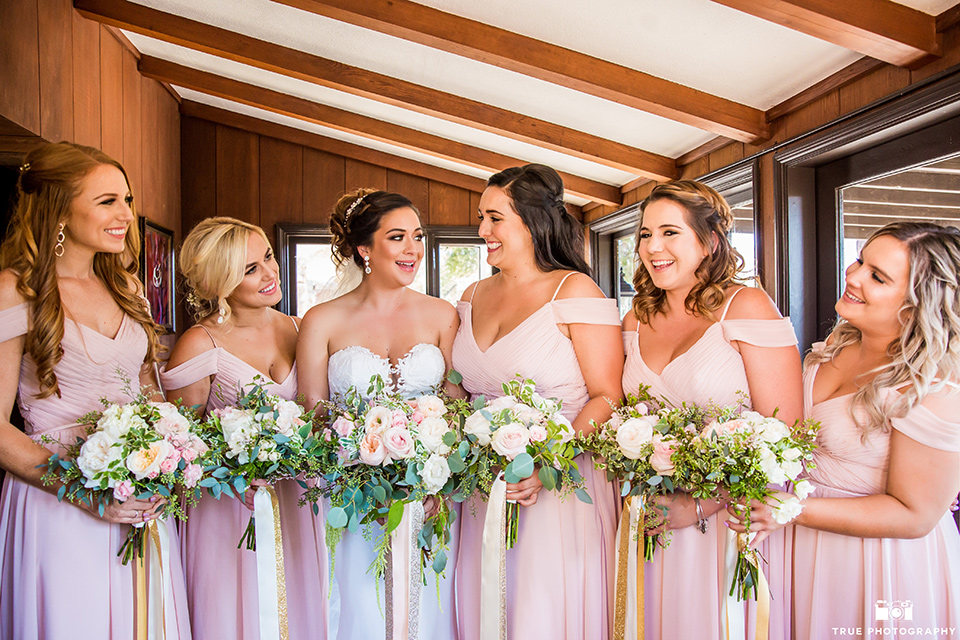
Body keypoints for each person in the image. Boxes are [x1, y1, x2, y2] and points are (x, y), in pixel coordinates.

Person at [729, 221, 960, 635]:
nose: (852, 276)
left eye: (877, 276)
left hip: (875, 562)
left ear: (917, 303)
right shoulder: (836, 344)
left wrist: (789, 510)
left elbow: (915, 515)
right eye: (859, 261)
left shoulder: (934, 387)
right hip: (799, 542)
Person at [0, 142, 191, 638]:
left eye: (126, 200)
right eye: (107, 201)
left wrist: (169, 453)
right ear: (59, 209)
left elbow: (149, 395)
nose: (125, 214)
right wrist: (81, 492)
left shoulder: (125, 287)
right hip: (57, 500)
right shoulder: (15, 290)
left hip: (140, 497)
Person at [621, 180, 802, 639]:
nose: (652, 247)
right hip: (651, 516)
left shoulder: (748, 307)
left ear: (710, 242)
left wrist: (700, 505)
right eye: (645, 234)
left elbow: (788, 436)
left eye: (669, 233)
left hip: (727, 521)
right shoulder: (634, 318)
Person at [452, 164, 624, 640]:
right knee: (487, 604)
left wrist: (548, 461)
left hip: (557, 486)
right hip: (481, 486)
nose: (482, 230)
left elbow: (609, 394)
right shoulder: (472, 294)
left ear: (531, 221)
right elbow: (460, 392)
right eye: (481, 218)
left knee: (540, 611)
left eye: (494, 218)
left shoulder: (576, 290)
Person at [297, 189, 461, 639]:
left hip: (427, 495)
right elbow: (312, 412)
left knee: (427, 607)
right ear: (364, 248)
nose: (412, 249)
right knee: (358, 609)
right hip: (349, 499)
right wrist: (355, 467)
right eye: (397, 237)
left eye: (417, 236)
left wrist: (435, 479)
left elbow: (455, 407)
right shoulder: (321, 321)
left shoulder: (442, 315)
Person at [160, 217, 327, 639]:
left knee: (298, 608)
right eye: (250, 269)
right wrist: (234, 471)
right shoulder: (200, 344)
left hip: (295, 497)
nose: (270, 273)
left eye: (268, 257)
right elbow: (180, 443)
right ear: (221, 282)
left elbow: (314, 412)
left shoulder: (296, 326)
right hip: (228, 511)